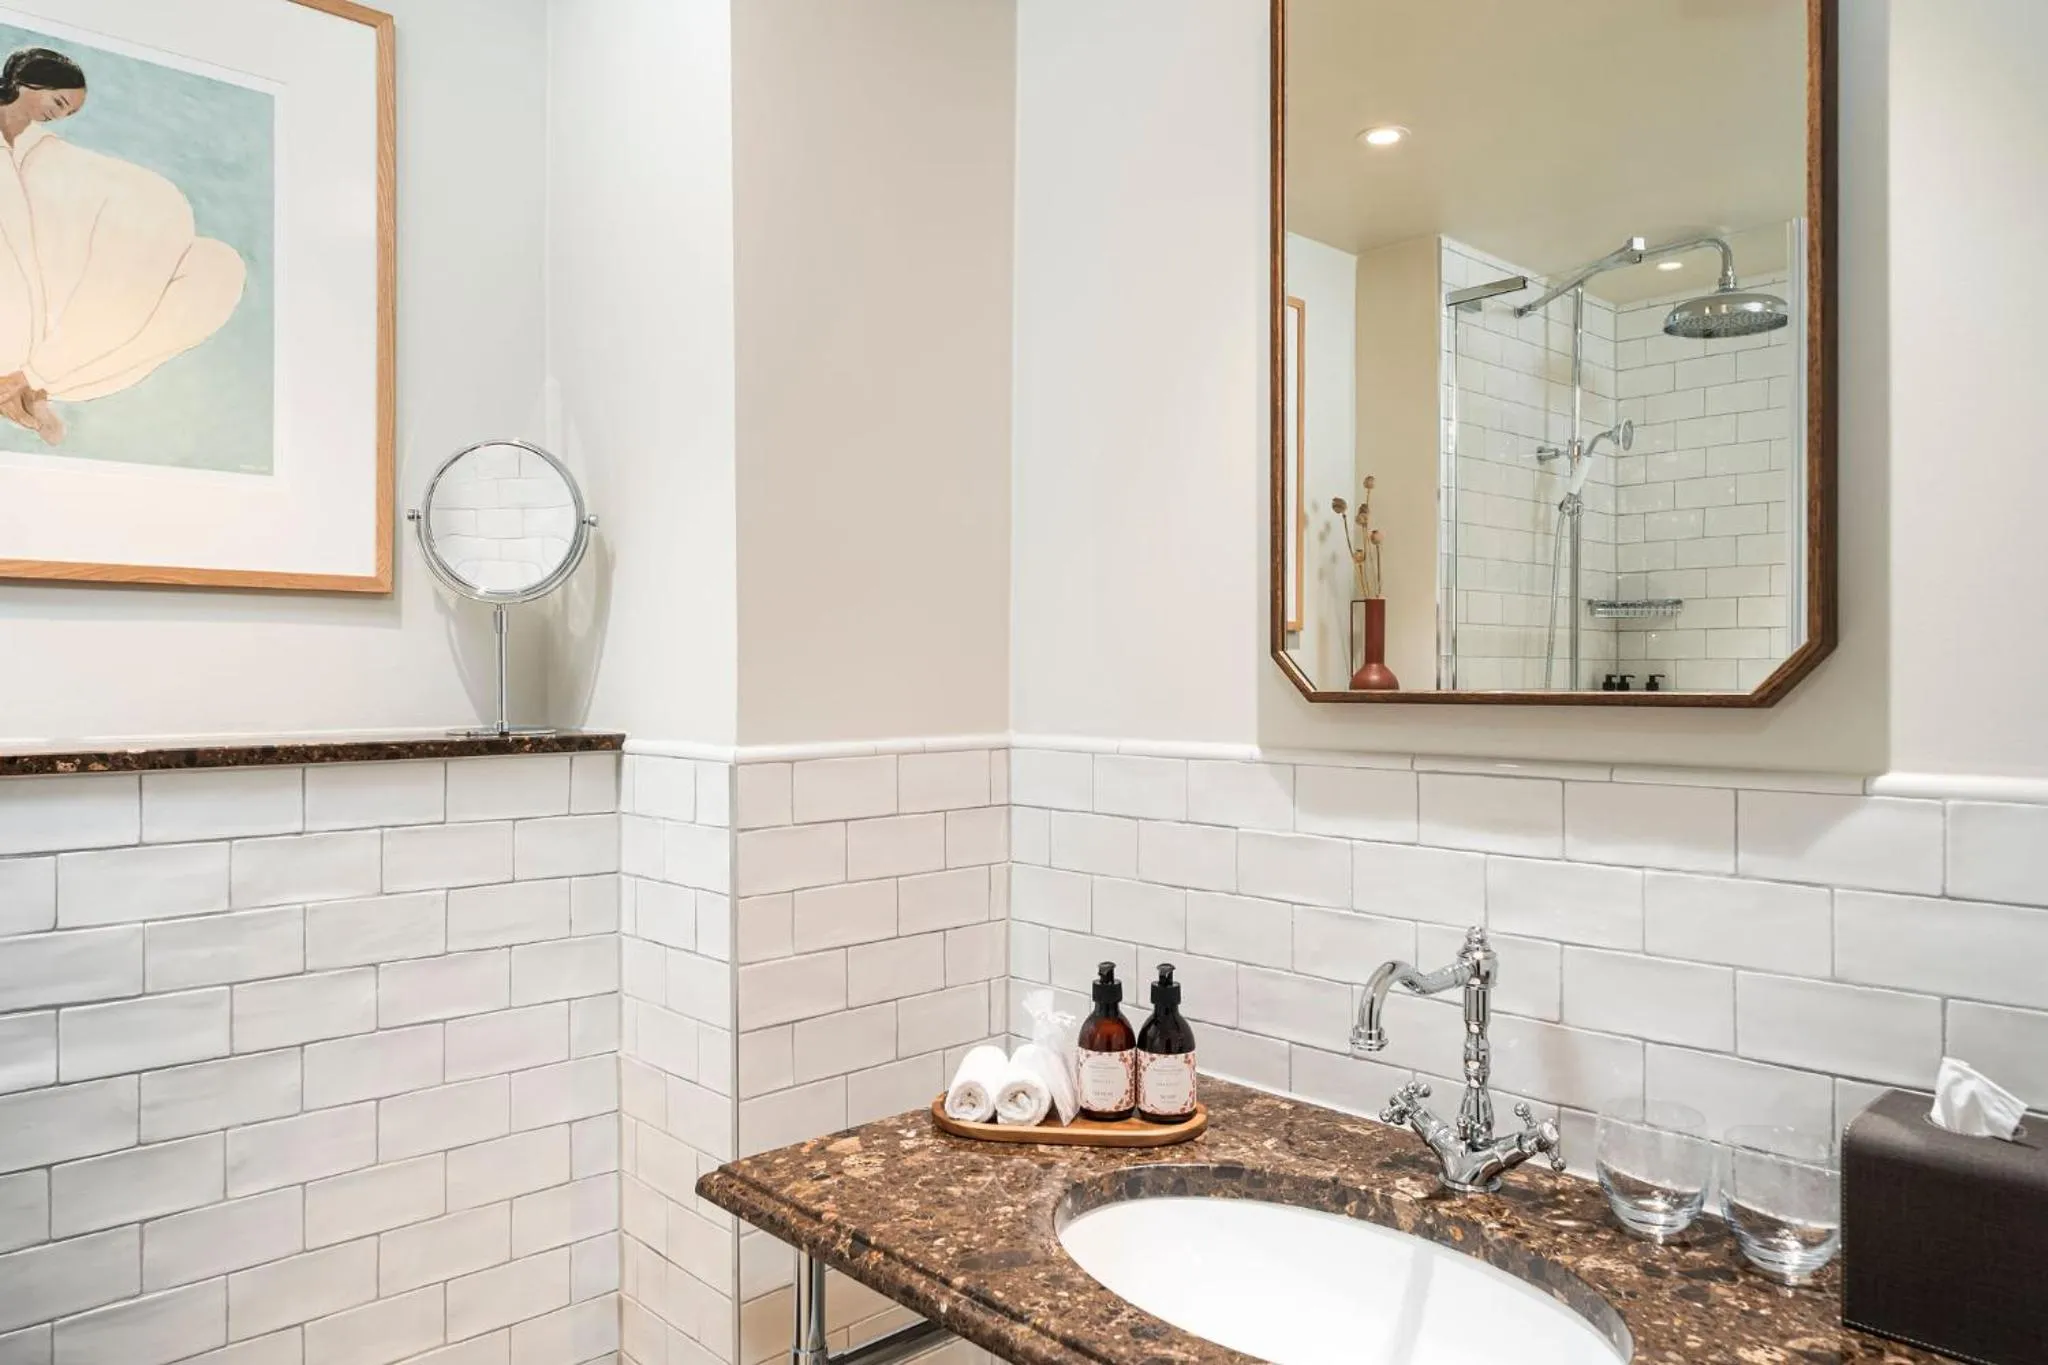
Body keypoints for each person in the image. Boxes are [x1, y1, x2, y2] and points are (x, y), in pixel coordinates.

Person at [0, 46, 247, 445]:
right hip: (18, 307)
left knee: (218, 268)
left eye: (68, 113)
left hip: (43, 302)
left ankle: (33, 383)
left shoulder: (39, 147)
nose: (59, 115)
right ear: (30, 82)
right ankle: (27, 382)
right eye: (59, 102)